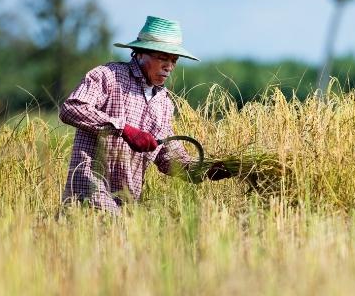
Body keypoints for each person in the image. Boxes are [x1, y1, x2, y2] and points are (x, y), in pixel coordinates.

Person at [59, 15, 230, 212]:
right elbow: (71, 108)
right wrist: (123, 129)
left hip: (127, 203)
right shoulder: (108, 76)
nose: (169, 67)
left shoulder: (163, 103)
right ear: (139, 53)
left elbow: (169, 157)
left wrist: (206, 169)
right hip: (89, 193)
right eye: (162, 58)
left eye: (174, 60)